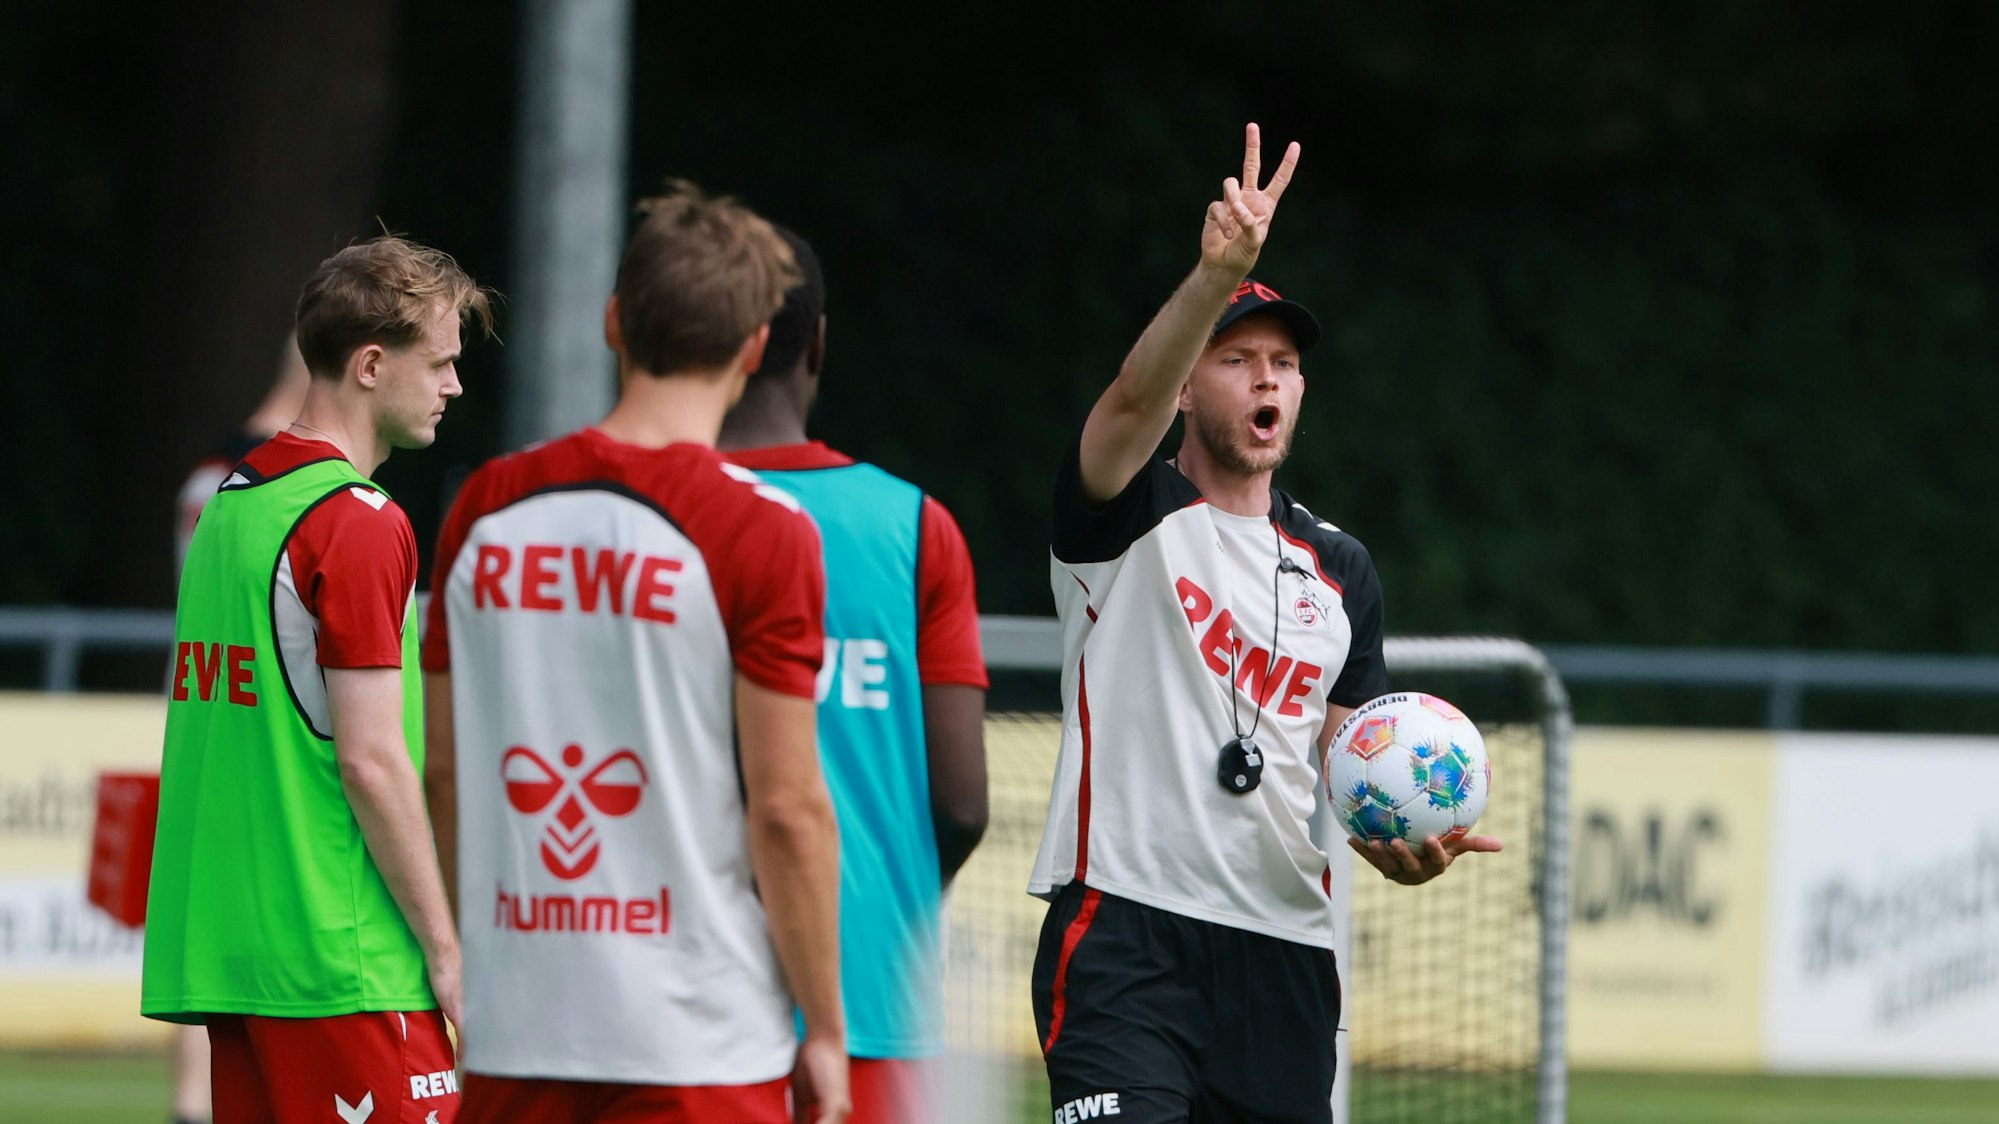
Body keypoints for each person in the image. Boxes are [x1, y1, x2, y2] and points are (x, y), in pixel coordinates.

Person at [1026, 124, 1503, 1123]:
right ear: (1189, 383)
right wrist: (1213, 278)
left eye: (1283, 364)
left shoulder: (1340, 567)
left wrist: (1395, 837)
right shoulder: (1125, 515)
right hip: (1126, 930)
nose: (1266, 381)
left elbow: (1352, 753)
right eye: (1236, 358)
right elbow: (1124, 400)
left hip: (1284, 947)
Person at [421, 181, 851, 1124]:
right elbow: (786, 811)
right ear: (751, 349)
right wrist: (823, 1025)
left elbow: (445, 776)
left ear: (612, 323)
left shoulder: (484, 506)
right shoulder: (763, 529)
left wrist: (485, 960)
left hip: (518, 1028)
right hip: (698, 1040)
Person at [142, 235, 494, 1124]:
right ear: (372, 364)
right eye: (442, 363)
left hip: (237, 961)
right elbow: (371, 764)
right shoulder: (359, 521)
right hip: (347, 965)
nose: (454, 387)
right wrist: (447, 953)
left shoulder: (229, 505)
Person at [717, 227, 990, 1124]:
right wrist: (885, 887)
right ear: (817, 344)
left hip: (681, 1000)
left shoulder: (640, 518)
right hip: (870, 987)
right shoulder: (914, 526)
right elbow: (959, 807)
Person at [162, 332, 310, 1124]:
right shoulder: (285, 484)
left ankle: (192, 1103)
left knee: (201, 925)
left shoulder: (206, 473)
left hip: (197, 710)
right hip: (264, 723)